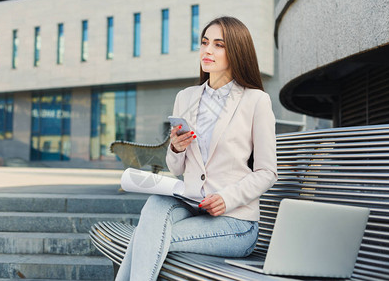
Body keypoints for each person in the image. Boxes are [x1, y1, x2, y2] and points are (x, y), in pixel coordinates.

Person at [115, 16, 277, 280]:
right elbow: (176, 168)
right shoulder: (186, 97)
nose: (207, 50)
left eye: (218, 44)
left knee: (147, 235)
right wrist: (176, 149)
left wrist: (228, 198)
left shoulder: (256, 100)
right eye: (204, 42)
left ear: (236, 51)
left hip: (235, 223)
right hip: (190, 206)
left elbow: (267, 171)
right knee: (155, 205)